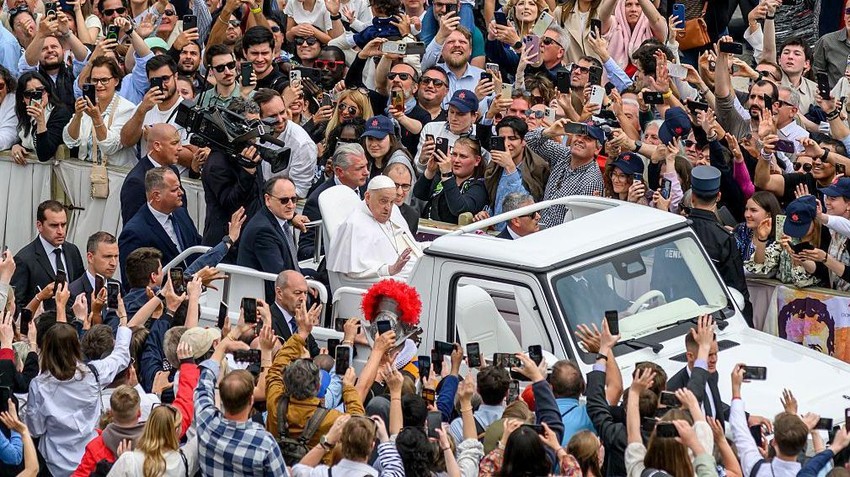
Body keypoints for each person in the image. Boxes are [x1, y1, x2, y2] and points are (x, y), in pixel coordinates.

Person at [25, 320, 131, 476]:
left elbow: (35, 429)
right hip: (88, 459)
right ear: (76, 347)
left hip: (55, 463)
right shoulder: (93, 374)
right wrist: (122, 322)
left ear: (46, 349)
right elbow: (121, 356)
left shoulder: (38, 385)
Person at [119, 168, 236, 289]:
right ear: (157, 195)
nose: (181, 192)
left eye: (180, 187)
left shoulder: (180, 213)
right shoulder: (134, 232)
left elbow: (196, 247)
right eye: (175, 190)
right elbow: (133, 286)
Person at [195, 322, 288, 475]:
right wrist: (266, 353)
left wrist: (223, 346)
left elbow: (205, 378)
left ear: (222, 398)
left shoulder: (206, 421)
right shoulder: (264, 443)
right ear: (251, 400)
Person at [687, 165, 753, 326]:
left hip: (675, 317)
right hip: (711, 319)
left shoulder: (676, 232)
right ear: (718, 196)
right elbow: (737, 289)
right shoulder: (723, 238)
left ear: (692, 197)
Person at [327, 175, 422, 281]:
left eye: (391, 202)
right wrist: (390, 269)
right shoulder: (353, 225)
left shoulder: (394, 211)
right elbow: (353, 273)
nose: (388, 208)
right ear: (367, 197)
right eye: (383, 201)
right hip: (384, 282)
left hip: (410, 272)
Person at [525, 119, 606, 228]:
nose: (580, 140)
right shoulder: (564, 154)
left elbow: (578, 226)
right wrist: (550, 132)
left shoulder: (591, 181)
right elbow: (528, 140)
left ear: (597, 149)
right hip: (539, 230)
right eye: (578, 135)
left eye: (587, 138)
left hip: (559, 239)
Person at [298, 143, 369, 261]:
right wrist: (340, 248)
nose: (366, 172)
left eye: (366, 166)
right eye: (359, 168)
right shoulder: (318, 200)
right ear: (339, 171)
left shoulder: (367, 187)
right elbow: (306, 250)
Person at [62, 56, 137, 167]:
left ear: (116, 81)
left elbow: (110, 147)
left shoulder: (127, 109)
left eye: (104, 80)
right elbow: (69, 140)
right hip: (87, 174)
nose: (99, 85)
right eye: (95, 80)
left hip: (116, 176)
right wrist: (77, 116)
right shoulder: (86, 105)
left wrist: (96, 118)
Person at [10, 200, 85, 311]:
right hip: (42, 325)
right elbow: (17, 307)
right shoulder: (24, 259)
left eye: (63, 225)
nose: (61, 231)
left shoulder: (72, 251)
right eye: (54, 226)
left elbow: (80, 286)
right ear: (39, 226)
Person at [745, 194, 831, 289]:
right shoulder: (787, 237)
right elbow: (759, 267)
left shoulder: (825, 240)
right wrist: (762, 240)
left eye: (801, 226)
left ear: (814, 222)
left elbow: (802, 281)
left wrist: (796, 255)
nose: (796, 231)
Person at [254, 88, 319, 198]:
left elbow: (299, 191)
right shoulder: (254, 131)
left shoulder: (302, 144)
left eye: (282, 112)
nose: (280, 119)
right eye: (272, 116)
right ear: (259, 117)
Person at [484, 117, 550, 220]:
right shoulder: (494, 165)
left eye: (512, 138)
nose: (506, 144)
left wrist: (511, 169)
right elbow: (494, 201)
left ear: (523, 141)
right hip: (495, 231)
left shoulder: (538, 167)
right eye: (502, 139)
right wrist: (486, 213)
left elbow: (527, 209)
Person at [120, 123, 186, 225]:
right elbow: (133, 229)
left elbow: (182, 214)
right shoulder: (137, 182)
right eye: (174, 143)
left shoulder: (173, 170)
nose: (180, 148)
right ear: (157, 146)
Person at [108, 403, 200, 475]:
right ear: (176, 431)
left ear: (148, 425)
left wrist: (123, 462)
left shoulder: (129, 461)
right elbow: (203, 435)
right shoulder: (184, 460)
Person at [414, 136, 487, 224]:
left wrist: (447, 176)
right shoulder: (442, 175)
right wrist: (430, 171)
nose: (456, 160)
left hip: (455, 235)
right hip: (428, 229)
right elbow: (419, 194)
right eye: (454, 154)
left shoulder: (479, 185)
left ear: (477, 160)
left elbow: (459, 209)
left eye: (463, 156)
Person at [10, 71, 71, 164]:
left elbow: (44, 154)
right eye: (28, 94)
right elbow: (26, 140)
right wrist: (16, 146)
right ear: (22, 98)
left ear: (47, 92)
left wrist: (41, 122)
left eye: (40, 91)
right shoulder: (25, 113)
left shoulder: (60, 113)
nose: (35, 97)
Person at [67, 231, 122, 329]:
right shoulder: (73, 292)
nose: (113, 263)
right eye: (107, 256)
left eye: (116, 256)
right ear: (90, 257)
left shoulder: (116, 286)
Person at [269, 270, 320, 357]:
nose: (303, 298)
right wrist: (302, 334)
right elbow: (280, 360)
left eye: (305, 293)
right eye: (297, 293)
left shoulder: (300, 320)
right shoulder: (267, 321)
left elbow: (314, 352)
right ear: (279, 293)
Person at [734, 191, 781, 263]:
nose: (747, 215)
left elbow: (760, 267)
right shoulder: (741, 229)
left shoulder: (778, 239)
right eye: (746, 209)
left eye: (753, 210)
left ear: (768, 215)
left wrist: (762, 239)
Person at [384, 163, 420, 235]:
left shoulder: (412, 216)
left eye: (405, 186)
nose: (400, 192)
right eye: (395, 185)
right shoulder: (370, 209)